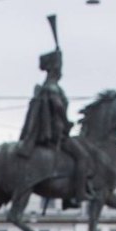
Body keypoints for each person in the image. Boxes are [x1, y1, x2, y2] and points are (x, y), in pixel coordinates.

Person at [16, 23, 93, 208]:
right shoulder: (52, 87)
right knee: (83, 157)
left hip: (53, 133)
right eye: (59, 66)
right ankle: (76, 195)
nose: (61, 70)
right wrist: (67, 122)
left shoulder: (47, 86)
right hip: (57, 135)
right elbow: (58, 107)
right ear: (54, 69)